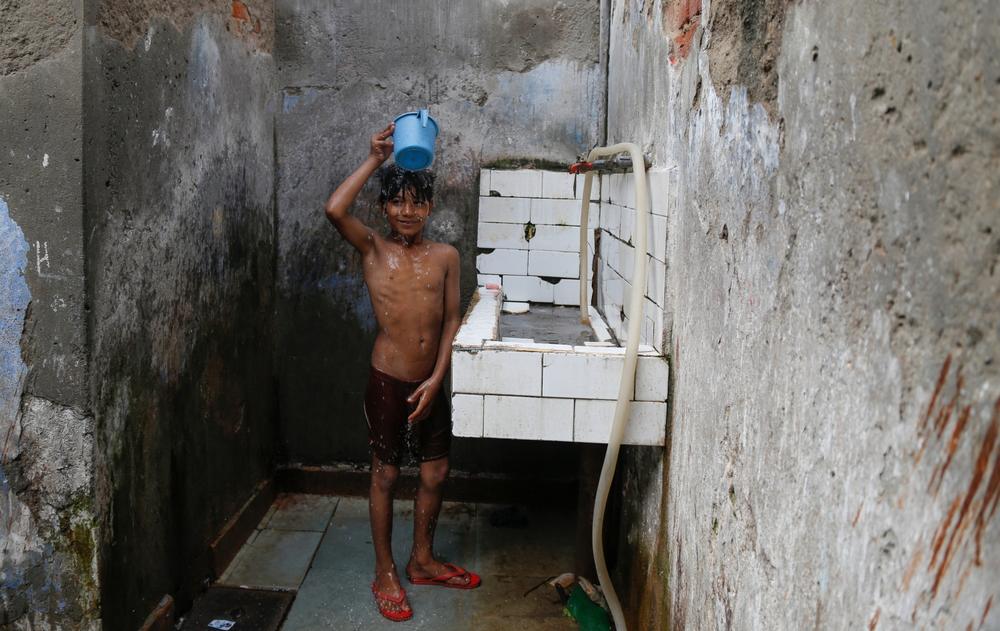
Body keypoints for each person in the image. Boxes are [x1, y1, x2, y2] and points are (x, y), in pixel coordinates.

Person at [324, 122, 480, 622]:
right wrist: (374, 157)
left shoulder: (446, 257)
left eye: (417, 203)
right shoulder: (374, 249)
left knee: (435, 471)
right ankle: (385, 569)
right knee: (386, 474)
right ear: (384, 208)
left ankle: (423, 559)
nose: (407, 212)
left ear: (429, 208)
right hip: (388, 379)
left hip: (432, 380)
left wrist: (438, 379)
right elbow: (333, 209)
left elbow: (452, 319)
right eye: (397, 203)